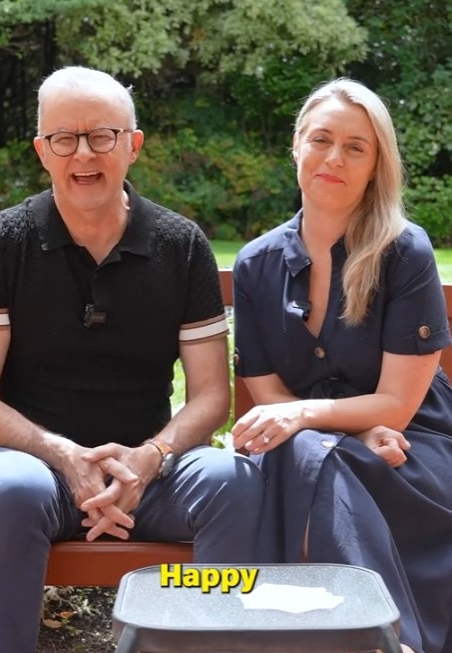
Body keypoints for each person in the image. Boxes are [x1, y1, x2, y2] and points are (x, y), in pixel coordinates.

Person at [0, 66, 265, 653]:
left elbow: (210, 397)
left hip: (151, 474)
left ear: (133, 145)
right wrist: (63, 454)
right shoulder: (2, 242)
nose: (83, 154)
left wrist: (149, 459)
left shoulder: (181, 245)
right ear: (41, 151)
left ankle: (205, 644)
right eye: (64, 138)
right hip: (30, 465)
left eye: (102, 136)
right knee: (13, 490)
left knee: (233, 482)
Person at [231, 77, 452, 653]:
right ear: (297, 147)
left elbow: (399, 406)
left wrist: (317, 419)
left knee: (305, 452)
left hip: (411, 449)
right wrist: (332, 423)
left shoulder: (405, 252)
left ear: (376, 166)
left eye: (356, 147)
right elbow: (268, 393)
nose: (334, 157)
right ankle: (381, 638)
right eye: (321, 139)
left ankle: (371, 636)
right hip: (325, 447)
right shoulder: (256, 264)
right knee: (307, 451)